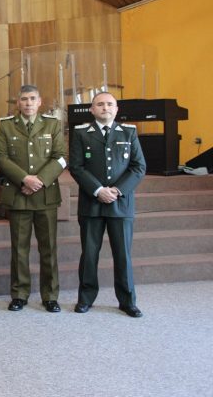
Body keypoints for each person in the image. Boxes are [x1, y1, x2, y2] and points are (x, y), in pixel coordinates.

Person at [69, 91, 146, 318]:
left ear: (116, 109)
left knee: (123, 254)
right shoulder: (82, 133)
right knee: (90, 254)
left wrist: (117, 190)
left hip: (121, 204)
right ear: (92, 110)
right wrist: (98, 190)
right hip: (92, 204)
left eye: (109, 104)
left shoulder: (129, 132)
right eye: (100, 104)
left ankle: (127, 301)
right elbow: (76, 167)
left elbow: (138, 167)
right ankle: (85, 299)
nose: (105, 108)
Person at [0, 85, 66, 313]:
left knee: (49, 249)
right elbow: (1, 158)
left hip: (45, 195)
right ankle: (19, 294)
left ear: (39, 101)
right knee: (19, 249)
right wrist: (24, 179)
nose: (28, 103)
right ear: (18, 103)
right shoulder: (6, 125)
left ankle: (50, 295)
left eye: (32, 99)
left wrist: (39, 180)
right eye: (23, 99)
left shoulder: (52, 124)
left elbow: (61, 157)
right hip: (18, 194)